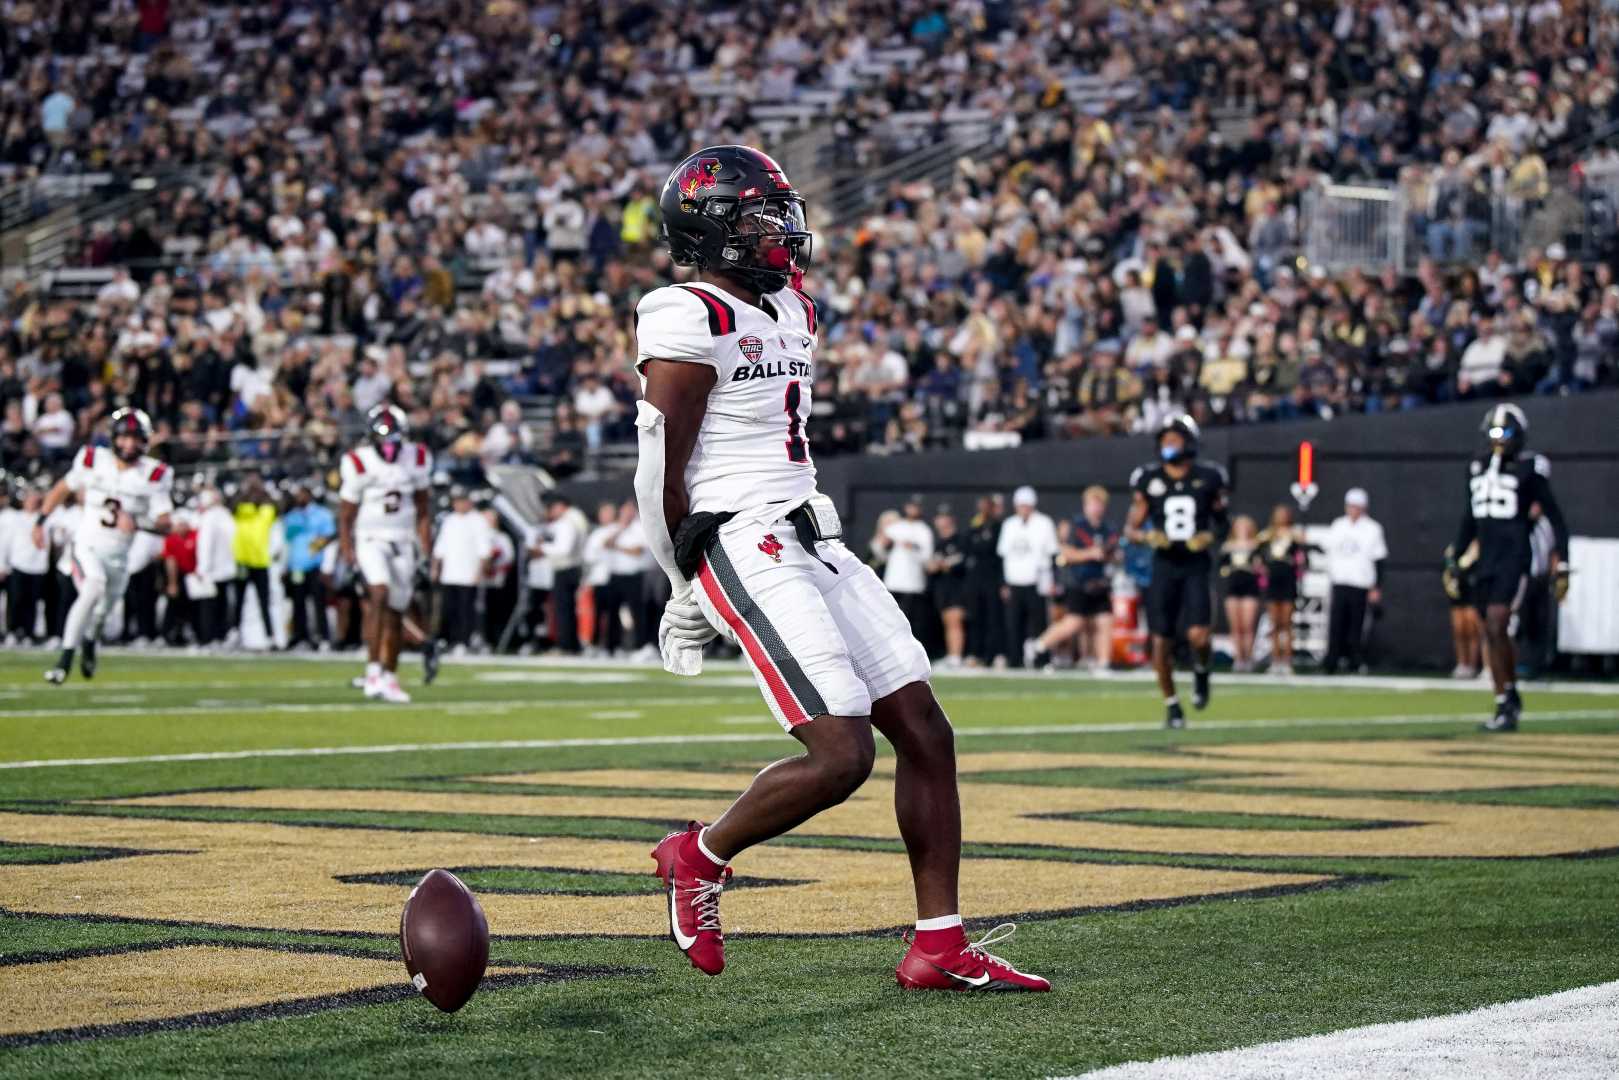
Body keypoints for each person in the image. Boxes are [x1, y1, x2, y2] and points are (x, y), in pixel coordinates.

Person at [633, 145, 1048, 991]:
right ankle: (698, 857)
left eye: (777, 210)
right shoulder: (683, 315)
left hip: (811, 528)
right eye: (755, 215)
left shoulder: (794, 307)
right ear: (708, 232)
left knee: (927, 732)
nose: (777, 229)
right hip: (739, 534)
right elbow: (657, 471)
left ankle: (938, 944)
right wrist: (679, 581)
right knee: (840, 754)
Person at [1449, 403, 1568, 731]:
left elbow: (1555, 516)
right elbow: (1468, 519)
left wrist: (1564, 560)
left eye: (1506, 433)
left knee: (1498, 621)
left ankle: (1509, 700)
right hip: (1486, 557)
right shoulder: (1476, 467)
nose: (1499, 440)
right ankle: (1506, 698)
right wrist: (1454, 559)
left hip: (1515, 555)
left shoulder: (1529, 467)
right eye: (1495, 433)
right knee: (1488, 628)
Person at [34, 409, 174, 683]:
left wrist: (137, 522)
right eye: (124, 438)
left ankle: (89, 643)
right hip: (86, 546)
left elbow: (165, 524)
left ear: (145, 441)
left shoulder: (154, 474)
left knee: (100, 616)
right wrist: (40, 522)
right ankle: (63, 661)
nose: (129, 445)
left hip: (120, 557)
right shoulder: (92, 459)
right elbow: (62, 488)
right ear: (113, 437)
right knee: (92, 586)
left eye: (135, 439)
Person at [1124, 414, 1228, 729]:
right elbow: (1132, 527)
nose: (1168, 444)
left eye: (1175, 438)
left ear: (1189, 441)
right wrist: (1146, 536)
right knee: (1161, 640)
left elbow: (1224, 523)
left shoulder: (1209, 477)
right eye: (1164, 439)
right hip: (1165, 564)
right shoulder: (1148, 478)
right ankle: (1172, 705)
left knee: (1198, 635)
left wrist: (1209, 537)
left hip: (1195, 564)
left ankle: (1201, 669)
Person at [337, 403, 434, 704]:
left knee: (397, 607)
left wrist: (425, 552)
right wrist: (348, 551)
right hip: (371, 537)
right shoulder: (358, 462)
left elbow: (422, 509)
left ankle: (389, 675)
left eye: (394, 438)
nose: (389, 446)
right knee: (378, 593)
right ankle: (373, 670)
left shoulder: (417, 457)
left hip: (403, 539)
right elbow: (345, 515)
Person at [1026, 486, 1118, 673]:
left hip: (1099, 582)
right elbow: (1065, 553)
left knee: (1105, 620)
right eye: (1093, 504)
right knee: (1073, 623)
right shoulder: (1076, 526)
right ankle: (1038, 646)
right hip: (1079, 581)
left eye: (1100, 504)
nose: (1096, 508)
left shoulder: (1108, 528)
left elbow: (1112, 552)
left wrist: (1110, 556)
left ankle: (1104, 663)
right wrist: (1089, 554)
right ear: (1085, 505)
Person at [1321, 488, 1388, 676]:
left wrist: (1376, 586)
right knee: (1336, 624)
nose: (1353, 510)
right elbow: (1327, 548)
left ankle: (1354, 660)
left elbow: (1379, 559)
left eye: (1357, 506)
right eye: (1351, 506)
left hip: (1360, 583)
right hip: (1340, 581)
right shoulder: (1338, 525)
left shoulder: (1373, 529)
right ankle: (1331, 661)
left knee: (1356, 625)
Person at [1000, 485, 1058, 668]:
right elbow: (1004, 555)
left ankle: (1042, 660)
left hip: (1037, 580)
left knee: (1040, 623)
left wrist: (1050, 581)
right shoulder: (1009, 524)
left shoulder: (1044, 523)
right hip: (1014, 580)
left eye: (1026, 505)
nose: (1023, 508)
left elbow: (1052, 553)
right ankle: (1015, 660)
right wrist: (1004, 583)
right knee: (1013, 623)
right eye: (1020, 505)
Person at [431, 487, 493, 653]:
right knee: (448, 609)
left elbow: (484, 550)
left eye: (461, 501)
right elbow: (440, 547)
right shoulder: (449, 520)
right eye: (455, 501)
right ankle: (448, 639)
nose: (458, 504)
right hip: (449, 574)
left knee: (466, 610)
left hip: (468, 574)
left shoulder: (478, 520)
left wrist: (479, 572)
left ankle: (464, 641)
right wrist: (435, 568)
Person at [282, 483, 336, 650]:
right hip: (297, 566)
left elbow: (329, 539)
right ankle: (300, 636)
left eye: (302, 494)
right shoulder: (291, 517)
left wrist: (326, 565)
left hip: (316, 565)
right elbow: (287, 543)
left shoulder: (322, 515)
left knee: (318, 603)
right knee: (298, 603)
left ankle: (323, 637)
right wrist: (285, 566)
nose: (299, 498)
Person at [230, 472, 278, 648]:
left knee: (264, 602)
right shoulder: (241, 508)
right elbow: (232, 506)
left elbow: (276, 506)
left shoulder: (266, 508)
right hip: (242, 560)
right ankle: (235, 634)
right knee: (239, 601)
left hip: (260, 561)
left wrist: (259, 492)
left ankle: (269, 636)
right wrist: (245, 492)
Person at [534, 492, 586, 653]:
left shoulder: (567, 522)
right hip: (573, 567)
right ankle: (572, 645)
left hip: (566, 568)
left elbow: (564, 550)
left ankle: (566, 645)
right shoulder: (576, 518)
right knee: (568, 609)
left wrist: (542, 548)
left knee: (563, 610)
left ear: (560, 506)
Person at [1258, 505, 1306, 676]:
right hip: (1273, 579)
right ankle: (1275, 660)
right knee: (1274, 623)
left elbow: (1301, 548)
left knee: (1286, 623)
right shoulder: (1268, 535)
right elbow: (1257, 549)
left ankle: (1287, 661)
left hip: (1287, 580)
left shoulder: (1294, 535)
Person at [882, 495, 935, 644]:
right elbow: (881, 546)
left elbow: (927, 556)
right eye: (911, 506)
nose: (913, 509)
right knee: (891, 619)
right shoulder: (895, 527)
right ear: (906, 508)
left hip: (913, 583)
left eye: (916, 507)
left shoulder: (924, 530)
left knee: (911, 622)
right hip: (893, 581)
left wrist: (913, 547)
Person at [4, 485, 50, 644]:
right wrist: (3, 564)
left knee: (32, 603)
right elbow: (5, 543)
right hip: (18, 564)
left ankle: (28, 633)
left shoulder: (44, 519)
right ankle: (12, 631)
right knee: (15, 600)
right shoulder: (14, 518)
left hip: (37, 567)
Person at [193, 485, 237, 646]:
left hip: (213, 569)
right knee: (221, 605)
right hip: (225, 568)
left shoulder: (211, 517)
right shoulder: (225, 515)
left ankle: (210, 637)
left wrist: (202, 568)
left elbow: (206, 544)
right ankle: (218, 636)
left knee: (209, 606)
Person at [925, 505, 969, 668]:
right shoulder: (938, 543)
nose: (941, 521)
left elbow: (959, 563)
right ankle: (952, 654)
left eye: (945, 517)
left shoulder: (959, 540)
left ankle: (956, 656)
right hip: (941, 589)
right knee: (946, 621)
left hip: (956, 588)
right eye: (939, 517)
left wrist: (941, 565)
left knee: (954, 620)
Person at [1220, 515, 1262, 673]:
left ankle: (1248, 657)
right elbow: (1222, 567)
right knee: (1236, 627)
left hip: (1250, 588)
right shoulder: (1228, 546)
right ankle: (1238, 658)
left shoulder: (1256, 545)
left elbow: (1261, 565)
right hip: (1233, 588)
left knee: (1248, 625)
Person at [1441, 540, 1483, 679]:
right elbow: (1448, 565)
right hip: (1458, 592)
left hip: (1472, 591)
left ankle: (1472, 665)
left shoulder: (1479, 545)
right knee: (1459, 629)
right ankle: (1462, 664)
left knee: (1473, 629)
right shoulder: (1454, 547)